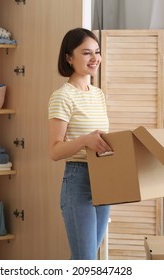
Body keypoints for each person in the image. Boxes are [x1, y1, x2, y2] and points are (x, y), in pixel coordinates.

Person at [48, 28, 112, 260]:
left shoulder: (98, 95)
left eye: (97, 52)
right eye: (86, 53)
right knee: (85, 261)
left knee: (86, 261)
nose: (95, 58)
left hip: (104, 179)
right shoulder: (62, 96)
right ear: (68, 58)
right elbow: (55, 150)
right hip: (79, 180)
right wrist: (85, 140)